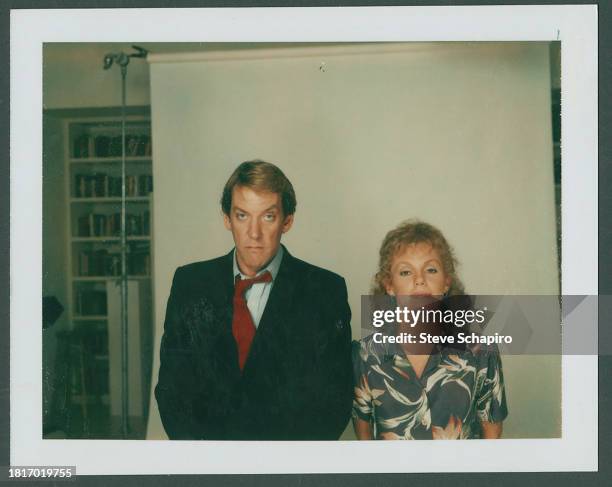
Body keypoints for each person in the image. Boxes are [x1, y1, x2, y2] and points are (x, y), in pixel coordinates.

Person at [155, 160, 353, 440]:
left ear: (287, 221)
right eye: (242, 216)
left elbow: (334, 402)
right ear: (227, 219)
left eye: (268, 217)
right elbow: (172, 391)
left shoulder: (325, 290)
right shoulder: (190, 283)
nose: (254, 233)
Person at [352, 220, 508, 440]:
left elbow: (492, 431)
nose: (419, 280)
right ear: (389, 286)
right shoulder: (366, 355)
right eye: (406, 272)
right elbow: (363, 431)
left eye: (431, 270)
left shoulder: (482, 353)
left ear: (446, 282)